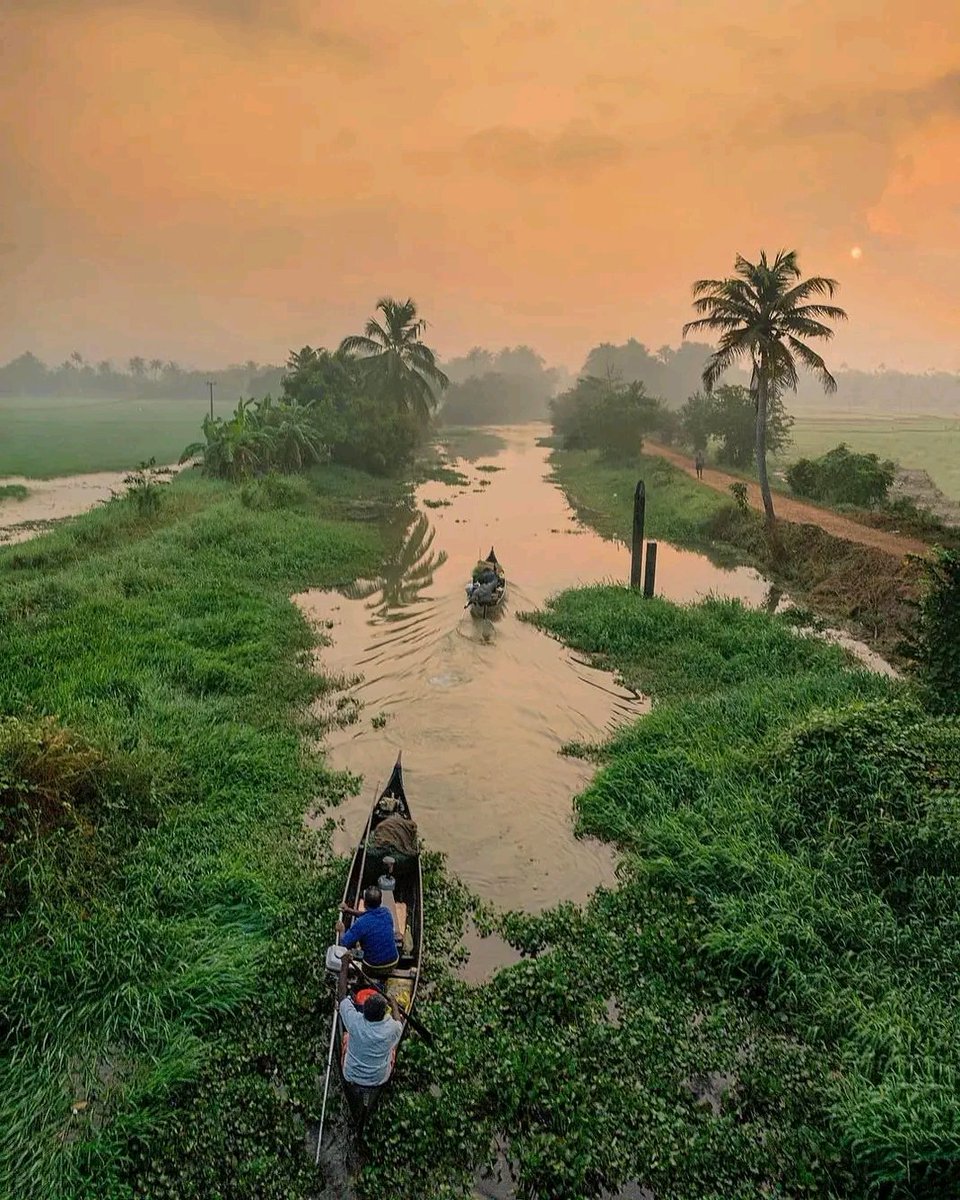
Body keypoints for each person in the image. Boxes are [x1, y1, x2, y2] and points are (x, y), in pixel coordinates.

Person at [337, 951, 403, 1087]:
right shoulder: (392, 1028)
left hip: (350, 1074)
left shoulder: (355, 1022)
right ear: (384, 1013)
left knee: (347, 1036)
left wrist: (344, 965)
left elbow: (342, 996)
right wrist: (394, 1005)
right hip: (380, 1078)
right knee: (393, 1045)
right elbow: (398, 1021)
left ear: (364, 1011)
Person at [336, 885, 399, 973]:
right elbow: (368, 915)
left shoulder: (361, 923)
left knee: (352, 951)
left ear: (365, 903)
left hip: (373, 967)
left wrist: (341, 930)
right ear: (380, 902)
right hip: (394, 962)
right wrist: (349, 910)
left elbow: (343, 943)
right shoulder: (386, 912)